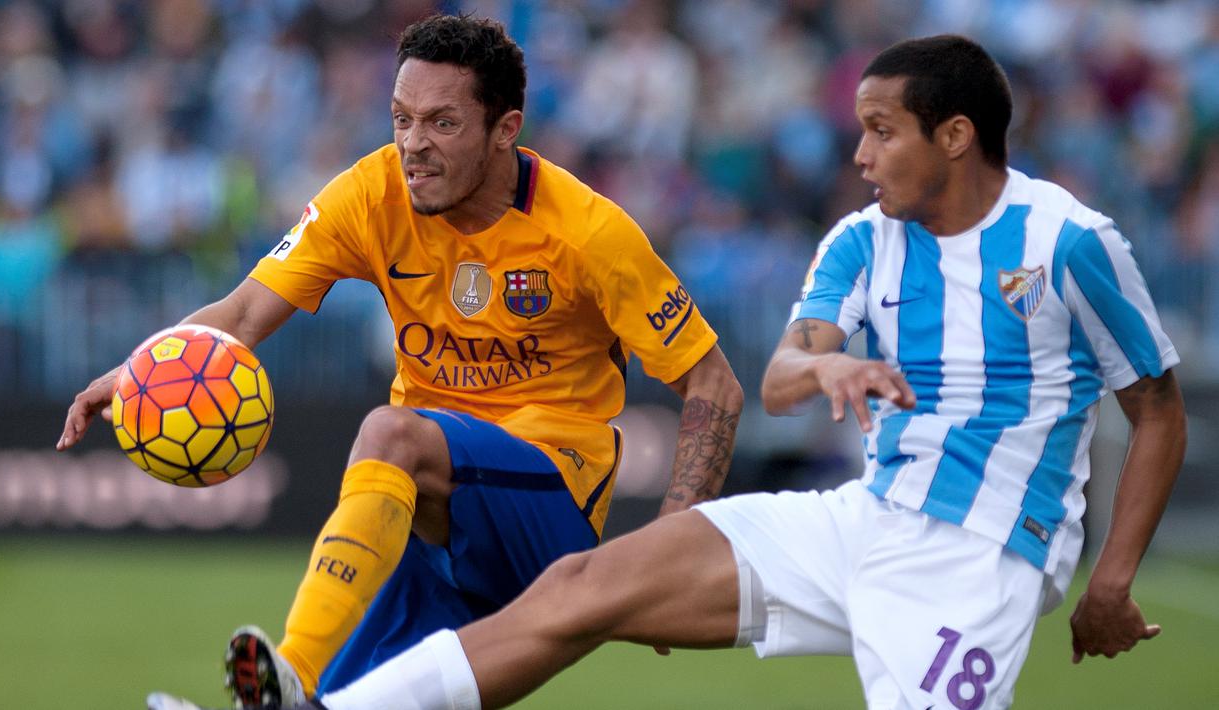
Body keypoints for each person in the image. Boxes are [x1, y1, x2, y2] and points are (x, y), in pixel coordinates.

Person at [150, 33, 1188, 710]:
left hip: (981, 553)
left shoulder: (1068, 241)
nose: (860, 153)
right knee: (583, 585)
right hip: (866, 515)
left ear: (954, 136)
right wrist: (827, 374)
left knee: (431, 469)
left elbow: (1155, 410)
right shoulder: (858, 241)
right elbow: (778, 373)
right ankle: (306, 702)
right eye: (859, 129)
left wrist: (1107, 577)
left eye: (880, 131)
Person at [59, 13, 743, 709]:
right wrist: (136, 371)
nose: (413, 144)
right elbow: (238, 318)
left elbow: (711, 378)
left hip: (546, 507)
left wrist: (672, 539)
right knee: (348, 700)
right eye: (400, 118)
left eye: (442, 123)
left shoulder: (589, 233)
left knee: (391, 432)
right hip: (430, 519)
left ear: (504, 129)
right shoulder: (369, 195)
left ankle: (290, 666)